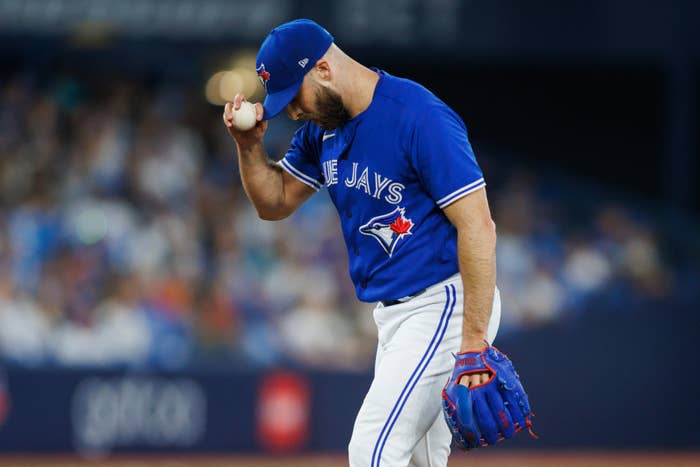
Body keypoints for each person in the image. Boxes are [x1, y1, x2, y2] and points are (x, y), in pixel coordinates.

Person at [223, 19, 504, 467]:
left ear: (324, 70)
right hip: (394, 317)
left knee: (373, 450)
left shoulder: (417, 114)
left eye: (294, 97)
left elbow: (479, 226)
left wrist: (472, 340)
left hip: (444, 302)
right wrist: (248, 147)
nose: (292, 113)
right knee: (417, 461)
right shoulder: (322, 130)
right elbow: (274, 203)